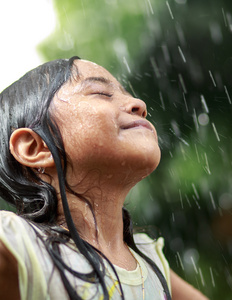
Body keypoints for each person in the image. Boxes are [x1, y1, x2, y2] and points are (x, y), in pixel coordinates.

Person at [0, 57, 208, 300]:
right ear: (36, 147)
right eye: (101, 93)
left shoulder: (150, 261)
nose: (139, 104)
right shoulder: (20, 244)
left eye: (128, 94)